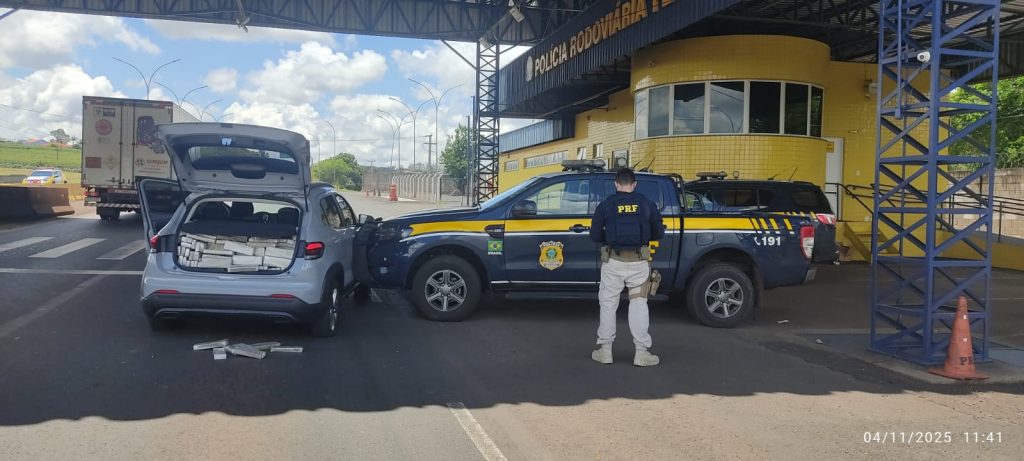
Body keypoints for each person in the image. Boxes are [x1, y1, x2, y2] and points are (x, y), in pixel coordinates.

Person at [589, 168, 664, 367]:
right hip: (639, 263)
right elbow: (659, 232)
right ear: (634, 184)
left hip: (613, 262)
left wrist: (611, 239)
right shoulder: (646, 204)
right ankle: (641, 353)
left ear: (616, 184)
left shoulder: (606, 205)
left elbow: (595, 236)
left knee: (608, 304)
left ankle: (605, 351)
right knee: (639, 305)